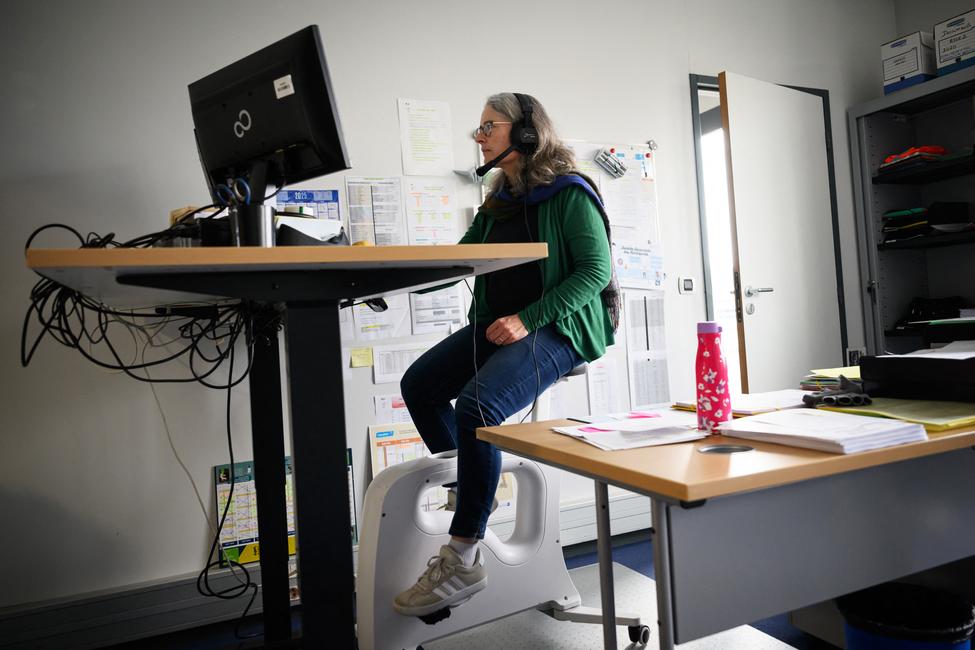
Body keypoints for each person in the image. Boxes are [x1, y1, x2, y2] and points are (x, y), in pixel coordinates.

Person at [393, 92, 619, 618]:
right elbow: (461, 261)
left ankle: (464, 554)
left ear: (523, 133)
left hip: (559, 326)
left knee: (477, 406)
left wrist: (527, 319)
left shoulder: (569, 193)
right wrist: (387, 277)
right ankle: (475, 489)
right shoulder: (497, 201)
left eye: (486, 127)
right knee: (420, 385)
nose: (479, 137)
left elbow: (595, 272)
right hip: (501, 325)